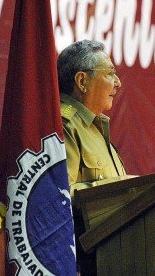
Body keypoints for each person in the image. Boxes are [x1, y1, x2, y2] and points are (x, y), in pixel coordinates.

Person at [57, 39, 127, 195]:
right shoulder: (64, 125)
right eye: (110, 74)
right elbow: (60, 196)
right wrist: (122, 188)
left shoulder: (95, 126)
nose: (118, 83)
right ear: (82, 81)